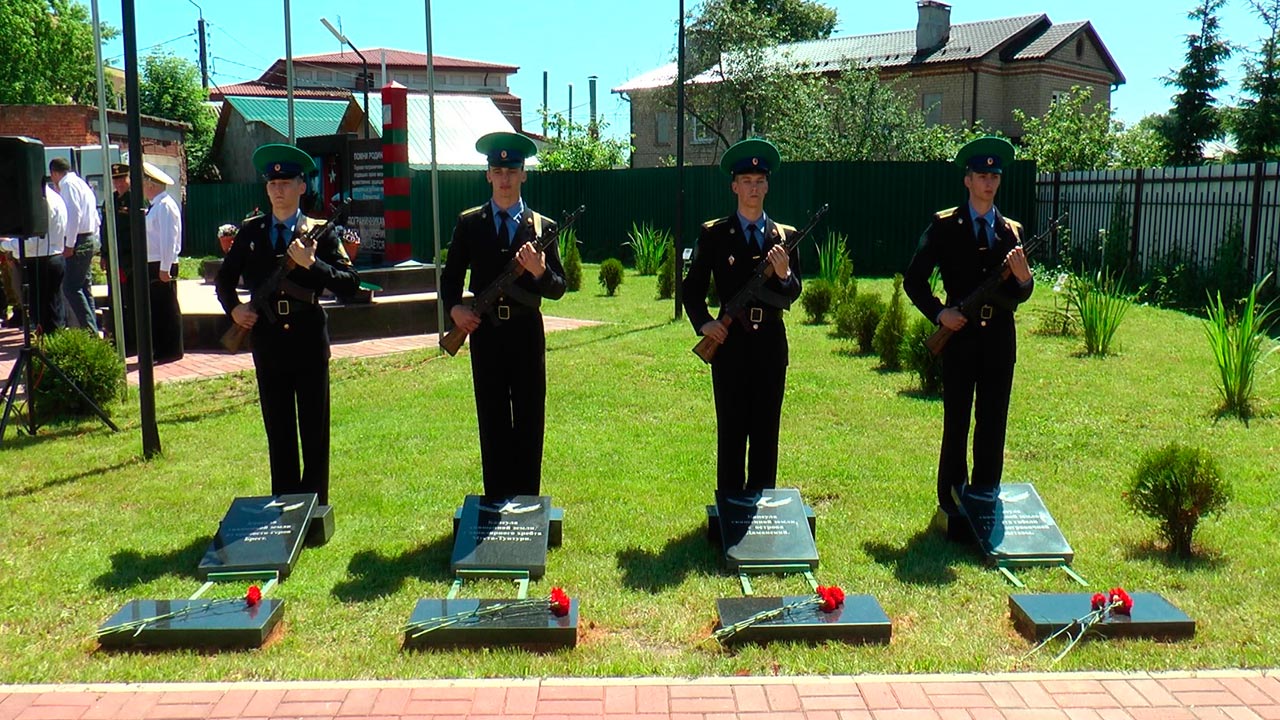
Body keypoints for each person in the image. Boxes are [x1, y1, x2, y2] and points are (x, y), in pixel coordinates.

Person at [215, 143, 359, 508]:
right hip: (267, 341)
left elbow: (349, 284)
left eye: (287, 182)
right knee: (278, 429)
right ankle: (283, 507)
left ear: (301, 188)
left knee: (314, 429)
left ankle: (312, 510)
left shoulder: (320, 233)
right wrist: (234, 310)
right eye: (273, 183)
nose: (278, 190)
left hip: (309, 339)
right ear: (266, 189)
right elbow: (224, 280)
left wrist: (312, 265)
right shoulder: (251, 233)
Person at [903, 136, 1034, 518]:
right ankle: (951, 500)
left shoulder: (1012, 231)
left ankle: (986, 494)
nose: (989, 182)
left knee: (993, 419)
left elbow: (1020, 293)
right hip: (959, 338)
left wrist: (1024, 280)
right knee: (957, 420)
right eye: (981, 175)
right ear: (967, 180)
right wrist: (939, 314)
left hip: (998, 340)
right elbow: (914, 280)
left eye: (994, 175)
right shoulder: (945, 226)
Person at [441, 131, 566, 500]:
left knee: (529, 417)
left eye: (512, 171)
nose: (506, 179)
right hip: (486, 334)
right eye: (498, 171)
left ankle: (526, 505)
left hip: (526, 334)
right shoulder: (470, 223)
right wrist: (455, 310)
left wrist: (540, 271)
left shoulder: (542, 228)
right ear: (488, 176)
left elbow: (559, 287)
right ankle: (495, 499)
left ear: (524, 174)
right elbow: (451, 276)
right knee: (492, 418)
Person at [681, 138, 802, 493]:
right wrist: (705, 323)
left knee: (766, 431)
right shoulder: (716, 234)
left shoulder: (785, 237)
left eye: (760, 181)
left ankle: (762, 507)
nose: (754, 188)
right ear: (734, 186)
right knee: (732, 431)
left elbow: (794, 292)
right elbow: (692, 289)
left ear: (767, 185)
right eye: (746, 181)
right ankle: (730, 508)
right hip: (730, 346)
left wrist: (783, 275)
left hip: (769, 346)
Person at [0, 185, 69, 334]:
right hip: (53, 257)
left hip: (41, 260)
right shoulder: (56, 198)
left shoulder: (41, 202)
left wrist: (5, 244)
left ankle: (49, 350)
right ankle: (52, 346)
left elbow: (33, 241)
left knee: (45, 313)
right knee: (53, 310)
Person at [49, 157, 100, 333]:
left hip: (77, 239)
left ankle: (90, 331)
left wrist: (69, 244)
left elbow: (73, 216)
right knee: (84, 287)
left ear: (54, 173)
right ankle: (91, 329)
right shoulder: (80, 183)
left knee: (71, 287)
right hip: (87, 236)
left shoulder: (68, 185)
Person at [140, 163, 184, 363]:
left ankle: (171, 350)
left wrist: (165, 268)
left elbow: (169, 239)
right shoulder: (157, 205)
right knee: (158, 309)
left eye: (144, 181)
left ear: (151, 184)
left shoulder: (165, 206)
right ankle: (161, 349)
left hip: (161, 263)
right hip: (154, 262)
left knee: (166, 309)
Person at [101, 163, 136, 355]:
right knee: (115, 298)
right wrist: (104, 254)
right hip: (113, 258)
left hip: (129, 258)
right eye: (116, 179)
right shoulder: (110, 200)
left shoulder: (134, 199)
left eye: (122, 178)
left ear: (128, 178)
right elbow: (105, 229)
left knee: (129, 299)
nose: (119, 183)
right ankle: (116, 338)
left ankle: (131, 341)